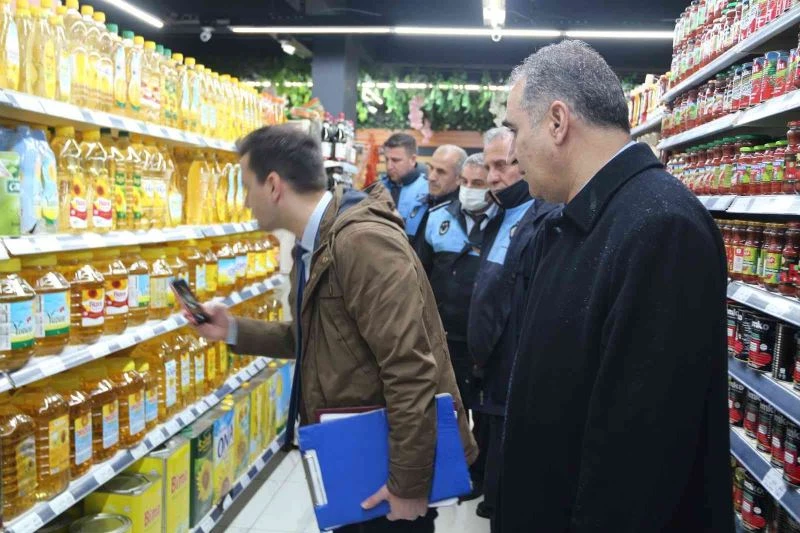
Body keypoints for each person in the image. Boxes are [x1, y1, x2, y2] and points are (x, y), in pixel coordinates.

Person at [188, 125, 479, 533]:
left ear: (273, 185)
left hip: (388, 465)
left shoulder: (361, 242)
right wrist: (232, 329)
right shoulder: (312, 246)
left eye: (246, 186)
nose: (244, 200)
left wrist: (408, 482)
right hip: (355, 456)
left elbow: (410, 366)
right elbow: (311, 339)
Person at [497, 40, 733, 532]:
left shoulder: (661, 229)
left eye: (515, 130)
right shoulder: (576, 222)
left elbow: (639, 459)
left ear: (557, 122)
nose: (513, 153)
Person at [467, 128, 559, 524]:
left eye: (502, 166)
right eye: (488, 167)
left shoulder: (546, 219)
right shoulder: (498, 216)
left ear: (523, 161)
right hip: (490, 362)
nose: (493, 178)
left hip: (515, 364)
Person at [415, 152, 496, 500]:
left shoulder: (505, 222)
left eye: (478, 183)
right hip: (442, 334)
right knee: (444, 404)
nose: (469, 189)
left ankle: (478, 473)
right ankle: (446, 468)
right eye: (465, 182)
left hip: (483, 336)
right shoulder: (437, 218)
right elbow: (418, 273)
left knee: (482, 409)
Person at [412, 144, 467, 248]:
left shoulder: (462, 216)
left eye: (441, 172)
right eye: (431, 168)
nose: (431, 177)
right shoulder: (420, 203)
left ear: (459, 178)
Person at [380, 133, 429, 241]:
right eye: (386, 159)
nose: (389, 166)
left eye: (395, 160)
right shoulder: (379, 187)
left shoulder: (428, 190)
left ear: (412, 159)